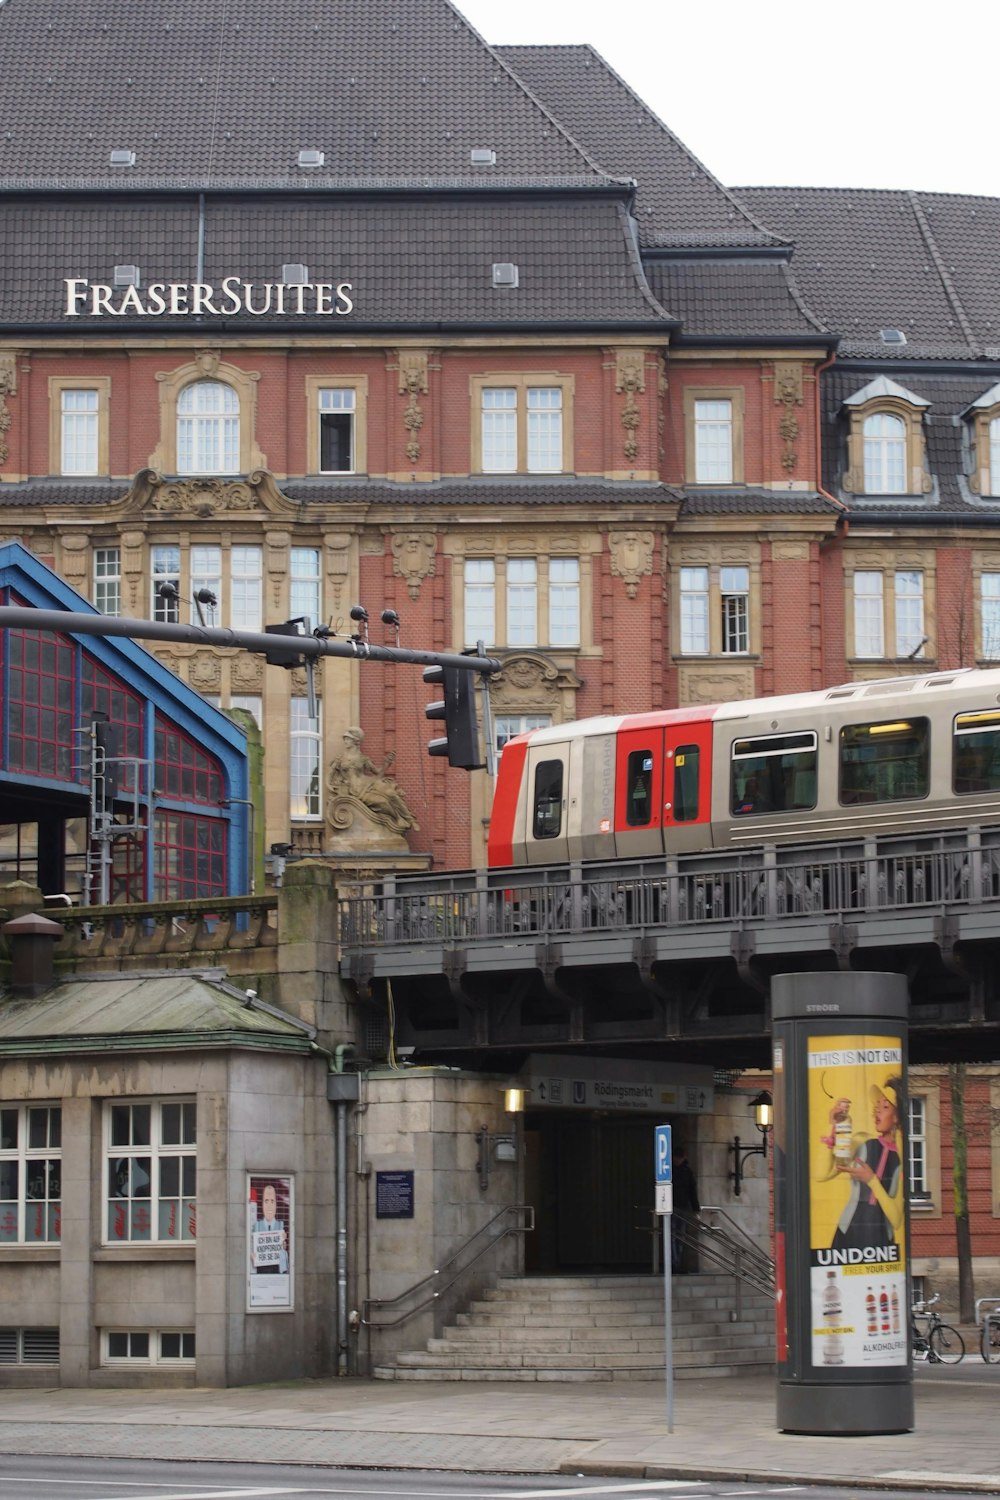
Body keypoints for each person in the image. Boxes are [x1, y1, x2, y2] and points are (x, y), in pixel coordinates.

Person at [817, 1078, 904, 1251]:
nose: (877, 1111)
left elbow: (896, 1219)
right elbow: (822, 1175)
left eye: (885, 1107)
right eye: (877, 1106)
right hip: (847, 1236)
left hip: (881, 1245)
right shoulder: (861, 1141)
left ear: (897, 1117)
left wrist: (872, 1180)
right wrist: (834, 1129)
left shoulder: (901, 1160)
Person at [671, 1148, 700, 1272]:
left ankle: (677, 1263)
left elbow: (692, 1191)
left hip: (682, 1207)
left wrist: (695, 1208)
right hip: (672, 1207)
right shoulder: (671, 1171)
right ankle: (673, 1263)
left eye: (679, 1157)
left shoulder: (687, 1171)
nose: (677, 1160)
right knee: (673, 1236)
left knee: (680, 1236)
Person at [251, 1181, 289, 1274]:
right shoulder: (257, 1226)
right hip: (260, 1273)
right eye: (266, 1201)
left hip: (277, 1274)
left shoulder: (281, 1226)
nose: (269, 1206)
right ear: (262, 1204)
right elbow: (251, 1248)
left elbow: (285, 1263)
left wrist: (283, 1251)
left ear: (276, 1204)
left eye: (272, 1201)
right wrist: (252, 1256)